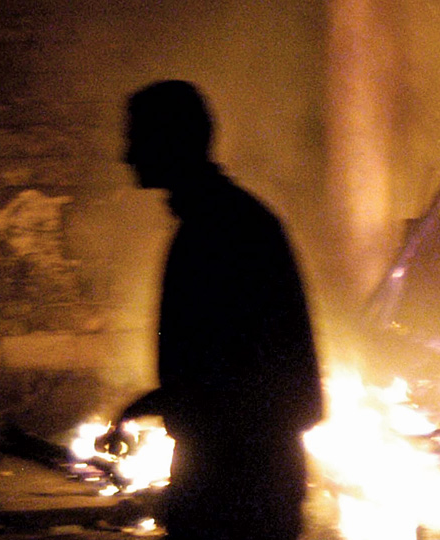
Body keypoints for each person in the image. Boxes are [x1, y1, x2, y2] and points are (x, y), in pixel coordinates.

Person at [106, 80, 323, 540]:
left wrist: (202, 481)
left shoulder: (220, 231)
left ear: (171, 142)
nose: (126, 155)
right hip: (241, 471)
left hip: (239, 482)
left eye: (137, 138)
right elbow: (225, 363)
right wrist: (152, 404)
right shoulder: (229, 222)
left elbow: (241, 379)